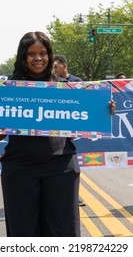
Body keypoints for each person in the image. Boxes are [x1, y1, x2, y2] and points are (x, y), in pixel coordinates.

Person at [0, 31, 116, 236]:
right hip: (20, 169)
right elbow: (0, 134)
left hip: (61, 168)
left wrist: (101, 113)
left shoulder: (66, 88)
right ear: (23, 56)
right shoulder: (7, 88)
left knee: (63, 232)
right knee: (24, 234)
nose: (38, 58)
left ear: (50, 56)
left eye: (43, 53)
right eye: (31, 54)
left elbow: (75, 131)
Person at [53, 54, 86, 207]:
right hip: (55, 128)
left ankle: (74, 194)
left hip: (71, 129)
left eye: (55, 66)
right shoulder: (50, 83)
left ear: (64, 66)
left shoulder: (77, 82)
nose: (52, 69)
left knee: (71, 165)